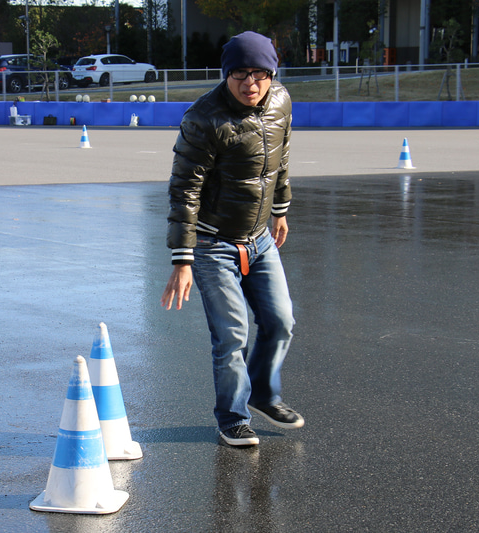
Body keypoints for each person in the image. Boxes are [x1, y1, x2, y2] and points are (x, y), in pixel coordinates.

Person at [161, 31, 303, 447]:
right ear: (226, 75)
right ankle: (232, 416)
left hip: (259, 238)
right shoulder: (203, 118)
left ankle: (262, 393)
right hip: (211, 244)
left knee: (280, 322)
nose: (251, 84)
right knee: (232, 334)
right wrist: (182, 259)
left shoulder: (281, 101)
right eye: (240, 74)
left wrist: (280, 209)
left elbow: (282, 156)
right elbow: (183, 189)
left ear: (271, 74)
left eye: (260, 74)